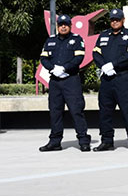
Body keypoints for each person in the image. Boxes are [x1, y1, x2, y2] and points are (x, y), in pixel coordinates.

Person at [38, 14, 91, 152]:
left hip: (70, 80)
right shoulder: (50, 41)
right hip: (55, 80)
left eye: (66, 24)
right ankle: (55, 141)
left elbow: (79, 57)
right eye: (61, 24)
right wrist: (53, 69)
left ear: (70, 26)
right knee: (55, 112)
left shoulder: (76, 39)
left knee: (76, 111)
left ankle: (83, 140)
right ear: (57, 26)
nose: (63, 26)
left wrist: (65, 68)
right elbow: (43, 58)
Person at [92, 8, 128, 151]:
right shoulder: (103, 35)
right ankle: (107, 140)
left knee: (127, 110)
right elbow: (96, 53)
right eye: (112, 20)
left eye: (117, 19)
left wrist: (114, 65)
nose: (115, 22)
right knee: (105, 111)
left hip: (122, 77)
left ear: (123, 20)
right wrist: (104, 66)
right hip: (107, 79)